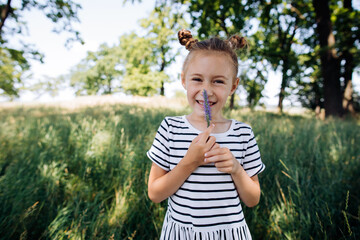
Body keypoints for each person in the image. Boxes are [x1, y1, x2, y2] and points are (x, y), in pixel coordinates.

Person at [147, 29, 265, 240]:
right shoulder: (170, 128)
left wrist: (236, 169)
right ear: (184, 80)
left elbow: (253, 199)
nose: (206, 90)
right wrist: (190, 162)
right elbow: (155, 194)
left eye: (218, 81)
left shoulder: (243, 134)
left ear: (233, 86)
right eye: (197, 79)